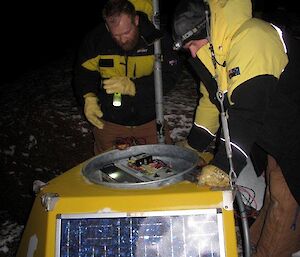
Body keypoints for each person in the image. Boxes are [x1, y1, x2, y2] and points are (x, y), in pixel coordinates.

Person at [172, 0, 300, 256]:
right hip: (273, 136)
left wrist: (222, 167)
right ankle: (256, 244)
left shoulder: (254, 38)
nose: (193, 55)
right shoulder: (212, 53)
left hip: (294, 134)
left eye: (194, 45)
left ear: (208, 30)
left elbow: (246, 114)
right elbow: (212, 100)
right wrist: (194, 146)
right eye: (188, 49)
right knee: (275, 197)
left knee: (286, 206)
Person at [73, 0, 180, 154]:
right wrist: (88, 98)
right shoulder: (96, 40)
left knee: (165, 162)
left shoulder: (155, 38)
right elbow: (83, 75)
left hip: (150, 119)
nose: (122, 39)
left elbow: (171, 74)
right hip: (108, 121)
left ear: (136, 20)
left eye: (126, 32)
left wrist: (135, 87)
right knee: (107, 169)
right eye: (115, 35)